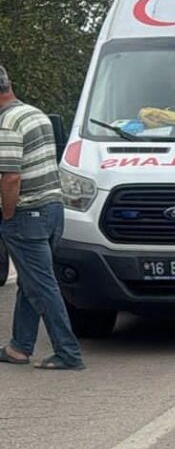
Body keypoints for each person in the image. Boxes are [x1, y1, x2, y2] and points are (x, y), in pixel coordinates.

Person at [0, 64, 85, 370]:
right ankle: (19, 347)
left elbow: (11, 177)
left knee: (43, 285)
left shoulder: (7, 123)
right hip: (52, 210)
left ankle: (68, 352)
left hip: (27, 214)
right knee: (30, 281)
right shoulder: (35, 114)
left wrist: (8, 215)